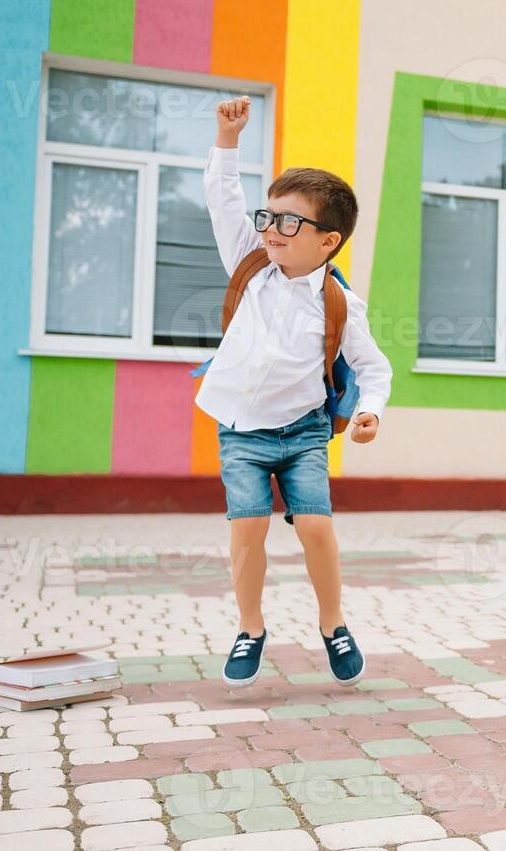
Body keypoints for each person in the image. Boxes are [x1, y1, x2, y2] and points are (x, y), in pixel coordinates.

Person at [197, 95, 391, 688]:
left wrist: (368, 413)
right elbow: (223, 201)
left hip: (303, 432)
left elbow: (374, 367)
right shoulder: (250, 268)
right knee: (247, 526)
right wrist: (227, 142)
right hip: (240, 427)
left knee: (315, 527)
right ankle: (251, 628)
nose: (271, 230)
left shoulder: (338, 302)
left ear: (327, 240)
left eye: (288, 222)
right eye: (269, 217)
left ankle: (333, 624)